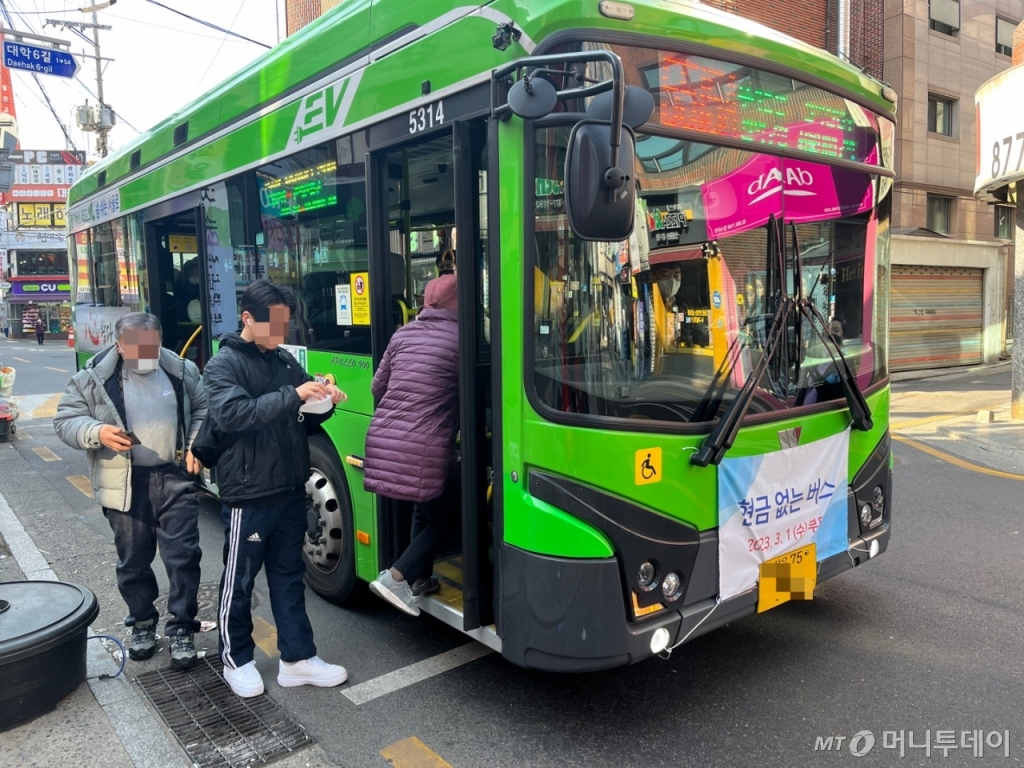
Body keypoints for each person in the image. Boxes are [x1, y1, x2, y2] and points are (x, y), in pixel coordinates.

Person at [202, 279, 348, 698]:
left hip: (288, 486)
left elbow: (303, 414)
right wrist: (294, 394)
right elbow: (233, 415)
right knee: (240, 580)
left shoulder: (283, 359)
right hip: (248, 492)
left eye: (287, 323)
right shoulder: (224, 364)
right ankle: (236, 660)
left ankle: (297, 659)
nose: (282, 332)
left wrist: (326, 398)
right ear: (249, 318)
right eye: (275, 323)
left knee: (289, 576)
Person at [53, 312, 207, 668]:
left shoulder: (182, 371)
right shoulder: (92, 379)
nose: (144, 354)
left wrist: (196, 446)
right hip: (124, 480)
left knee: (183, 557)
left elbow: (203, 409)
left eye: (151, 345)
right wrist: (96, 432)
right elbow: (64, 421)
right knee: (134, 559)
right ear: (120, 346)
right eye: (136, 347)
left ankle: (182, 626)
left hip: (174, 477)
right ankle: (142, 622)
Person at [364, 273, 460, 615]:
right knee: (450, 517)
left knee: (426, 507)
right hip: (427, 444)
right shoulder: (463, 338)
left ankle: (421, 579)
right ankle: (397, 577)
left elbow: (378, 388)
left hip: (386, 438)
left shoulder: (402, 334)